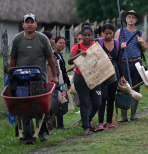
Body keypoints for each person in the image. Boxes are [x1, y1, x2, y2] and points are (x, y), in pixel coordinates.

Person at [9, 13, 58, 141]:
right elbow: (12, 58)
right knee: (22, 101)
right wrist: (12, 74)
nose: (29, 24)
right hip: (20, 78)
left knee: (41, 104)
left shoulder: (42, 39)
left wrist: (55, 76)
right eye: (27, 22)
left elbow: (50, 58)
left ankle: (42, 132)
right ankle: (23, 128)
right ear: (23, 25)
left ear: (36, 24)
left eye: (32, 22)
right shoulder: (17, 39)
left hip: (38, 77)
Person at [91, 23, 126, 130]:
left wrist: (122, 76)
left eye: (110, 33)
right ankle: (101, 122)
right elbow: (93, 58)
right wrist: (103, 57)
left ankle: (110, 122)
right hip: (102, 73)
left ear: (113, 33)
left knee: (111, 97)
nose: (108, 36)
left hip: (114, 72)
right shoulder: (98, 42)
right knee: (103, 97)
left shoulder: (116, 43)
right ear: (102, 33)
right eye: (106, 33)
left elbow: (119, 59)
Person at [68, 25, 102, 135]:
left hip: (95, 78)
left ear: (92, 36)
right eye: (84, 35)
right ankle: (86, 127)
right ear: (81, 36)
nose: (87, 37)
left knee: (97, 102)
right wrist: (79, 55)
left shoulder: (95, 46)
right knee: (85, 103)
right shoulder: (77, 46)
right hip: (81, 78)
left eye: (89, 35)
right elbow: (69, 61)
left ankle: (87, 119)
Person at [114, 10, 147, 122]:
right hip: (123, 62)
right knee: (124, 87)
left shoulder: (140, 33)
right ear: (126, 19)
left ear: (136, 20)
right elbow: (113, 49)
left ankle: (133, 114)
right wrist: (120, 46)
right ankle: (124, 116)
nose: (131, 19)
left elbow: (145, 49)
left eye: (133, 17)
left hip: (137, 62)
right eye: (129, 17)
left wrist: (141, 42)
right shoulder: (119, 32)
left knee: (136, 87)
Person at [52, 36, 71, 130]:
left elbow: (64, 71)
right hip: (56, 84)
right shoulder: (52, 56)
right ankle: (54, 125)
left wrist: (67, 83)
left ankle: (61, 124)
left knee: (63, 103)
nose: (62, 45)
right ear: (54, 43)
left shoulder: (61, 55)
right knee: (56, 103)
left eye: (64, 43)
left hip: (63, 84)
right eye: (60, 43)